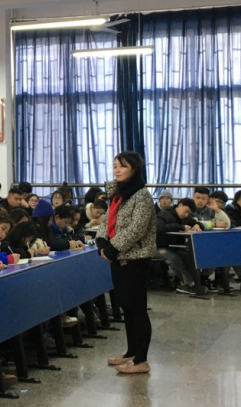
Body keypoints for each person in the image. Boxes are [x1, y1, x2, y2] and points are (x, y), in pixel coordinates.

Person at [95, 152, 157, 374]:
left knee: (137, 308)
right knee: (127, 307)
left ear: (134, 169)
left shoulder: (141, 195)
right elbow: (107, 221)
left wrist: (113, 248)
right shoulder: (117, 193)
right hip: (119, 258)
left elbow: (137, 228)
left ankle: (141, 360)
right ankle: (131, 352)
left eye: (122, 166)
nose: (117, 170)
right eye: (115, 165)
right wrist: (101, 241)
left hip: (135, 258)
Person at [155, 198, 202, 294]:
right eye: (186, 211)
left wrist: (197, 225)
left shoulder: (186, 218)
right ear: (180, 205)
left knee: (189, 255)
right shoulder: (164, 214)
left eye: (189, 213)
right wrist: (181, 227)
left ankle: (195, 282)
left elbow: (195, 222)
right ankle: (189, 284)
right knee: (173, 258)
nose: (186, 215)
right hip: (157, 247)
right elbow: (159, 228)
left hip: (174, 246)